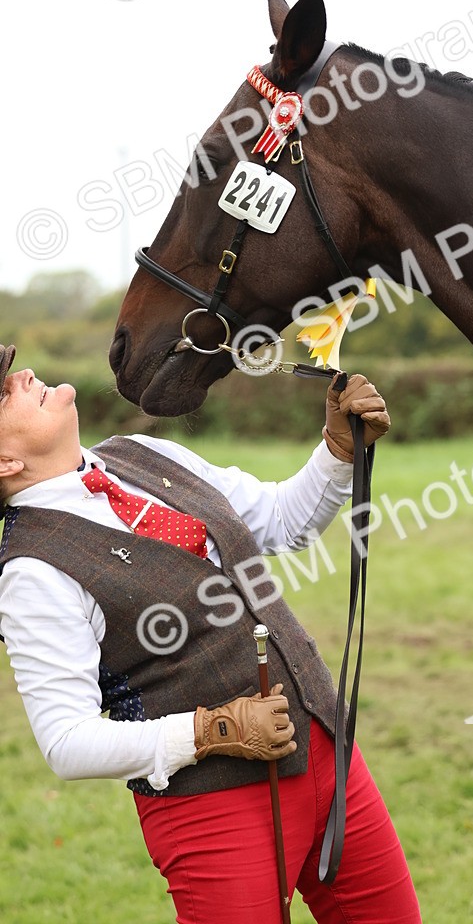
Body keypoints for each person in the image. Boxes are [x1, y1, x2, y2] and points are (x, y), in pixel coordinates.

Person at [0, 343, 422, 924]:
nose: (23, 374)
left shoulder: (140, 451)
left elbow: (282, 522)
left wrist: (339, 449)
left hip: (326, 750)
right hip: (212, 806)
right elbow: (66, 742)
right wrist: (210, 731)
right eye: (4, 391)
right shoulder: (31, 572)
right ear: (4, 463)